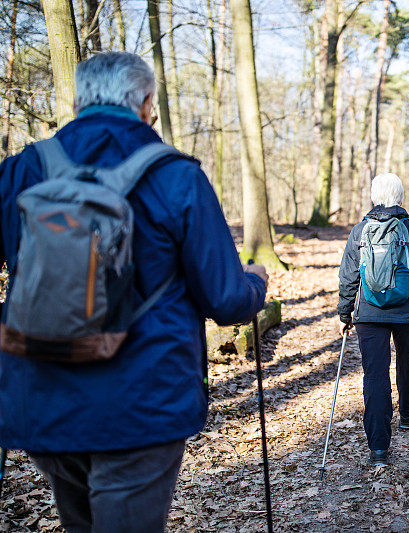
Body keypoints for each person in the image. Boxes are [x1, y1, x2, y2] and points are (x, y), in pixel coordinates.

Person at [0, 52, 269, 533]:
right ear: (147, 102)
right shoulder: (177, 176)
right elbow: (227, 300)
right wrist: (257, 282)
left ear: (79, 101)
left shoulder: (23, 170)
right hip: (141, 402)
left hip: (43, 390)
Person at [338, 173, 409, 466]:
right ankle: (408, 414)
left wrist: (345, 313)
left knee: (375, 374)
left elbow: (348, 276)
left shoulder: (360, 231)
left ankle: (379, 449)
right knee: (408, 360)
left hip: (369, 312)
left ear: (374, 197)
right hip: (408, 310)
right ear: (400, 197)